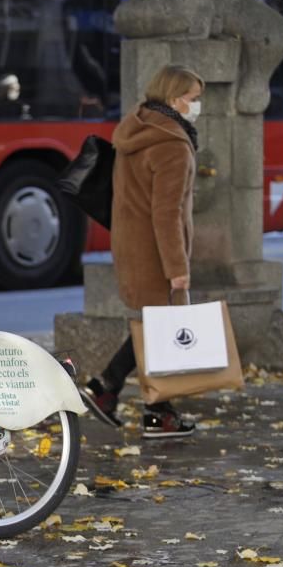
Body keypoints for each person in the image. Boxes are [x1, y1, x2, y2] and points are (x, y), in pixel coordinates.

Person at [79, 64, 203, 439]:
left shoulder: (137, 128)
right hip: (155, 251)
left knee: (153, 328)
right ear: (174, 98)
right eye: (194, 99)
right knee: (160, 329)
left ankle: (129, 400)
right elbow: (165, 213)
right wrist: (177, 267)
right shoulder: (172, 145)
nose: (197, 107)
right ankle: (119, 393)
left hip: (131, 244)